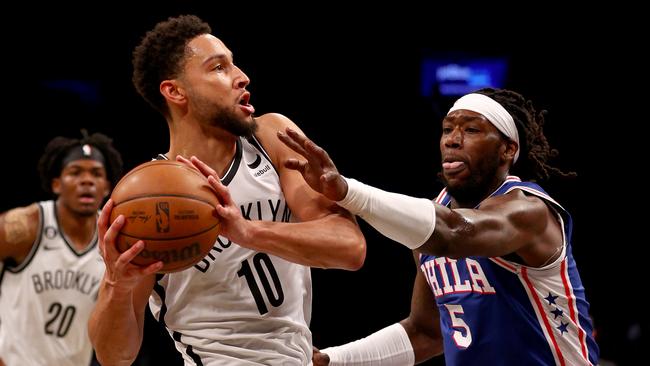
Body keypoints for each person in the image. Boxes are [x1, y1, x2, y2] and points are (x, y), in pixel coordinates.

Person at [88, 14, 366, 365]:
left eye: (234, 64)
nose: (241, 77)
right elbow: (115, 357)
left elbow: (350, 247)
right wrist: (118, 284)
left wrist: (248, 231)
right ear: (175, 91)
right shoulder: (145, 200)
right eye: (219, 67)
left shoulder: (272, 137)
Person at [278, 87, 600, 365]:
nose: (453, 141)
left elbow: (456, 233)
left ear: (507, 149)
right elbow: (426, 333)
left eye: (471, 130)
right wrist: (332, 359)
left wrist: (349, 193)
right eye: (448, 130)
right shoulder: (431, 220)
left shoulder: (529, 211)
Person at [0, 131, 123, 366]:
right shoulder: (26, 226)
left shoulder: (113, 240)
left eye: (96, 174)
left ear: (107, 187)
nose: (87, 180)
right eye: (75, 172)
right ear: (56, 184)